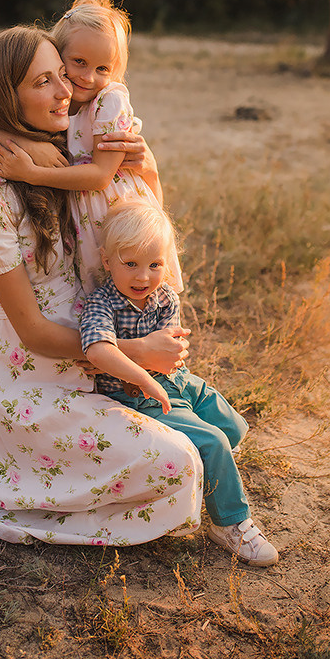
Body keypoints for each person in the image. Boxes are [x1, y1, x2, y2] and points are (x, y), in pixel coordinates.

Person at [0, 26, 204, 545]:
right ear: (9, 97)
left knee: (206, 432)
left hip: (98, 348)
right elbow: (33, 333)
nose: (66, 91)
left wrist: (149, 166)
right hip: (39, 377)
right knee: (179, 460)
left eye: (61, 76)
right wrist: (136, 352)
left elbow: (138, 223)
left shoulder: (69, 151)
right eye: (42, 82)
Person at [79, 199, 279, 567]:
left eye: (155, 265)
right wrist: (143, 378)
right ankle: (231, 523)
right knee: (214, 441)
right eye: (131, 264)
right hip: (138, 395)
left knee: (234, 427)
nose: (143, 277)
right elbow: (98, 351)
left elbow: (171, 345)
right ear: (108, 262)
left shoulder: (165, 296)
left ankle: (212, 469)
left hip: (177, 382)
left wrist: (173, 354)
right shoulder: (100, 304)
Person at [0, 0, 183, 294]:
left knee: (144, 293)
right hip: (91, 219)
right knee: (106, 302)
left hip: (122, 218)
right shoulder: (62, 102)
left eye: (103, 69)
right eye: (78, 62)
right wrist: (31, 146)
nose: (87, 77)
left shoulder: (109, 101)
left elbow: (101, 176)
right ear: (58, 55)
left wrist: (32, 173)